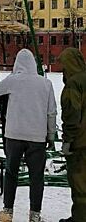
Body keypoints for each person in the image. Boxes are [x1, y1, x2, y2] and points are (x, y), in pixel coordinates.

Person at [0, 49, 57, 222]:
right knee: (36, 177)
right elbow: (51, 112)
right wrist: (51, 135)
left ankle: (7, 211)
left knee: (11, 173)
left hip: (13, 135)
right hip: (37, 138)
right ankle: (35, 214)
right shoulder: (46, 84)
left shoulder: (13, 80)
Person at [58, 48, 86, 222]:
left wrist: (68, 140)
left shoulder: (74, 84)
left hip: (81, 144)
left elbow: (72, 115)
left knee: (80, 186)